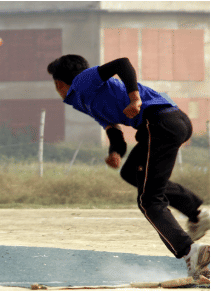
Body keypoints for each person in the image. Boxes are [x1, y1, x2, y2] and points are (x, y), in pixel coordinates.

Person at [47, 55, 209, 280]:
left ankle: (191, 252)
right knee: (131, 172)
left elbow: (122, 63)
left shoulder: (82, 81)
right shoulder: (83, 100)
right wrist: (115, 152)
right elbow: (114, 131)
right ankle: (197, 215)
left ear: (58, 84)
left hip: (158, 123)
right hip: (171, 122)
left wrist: (134, 98)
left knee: (149, 200)